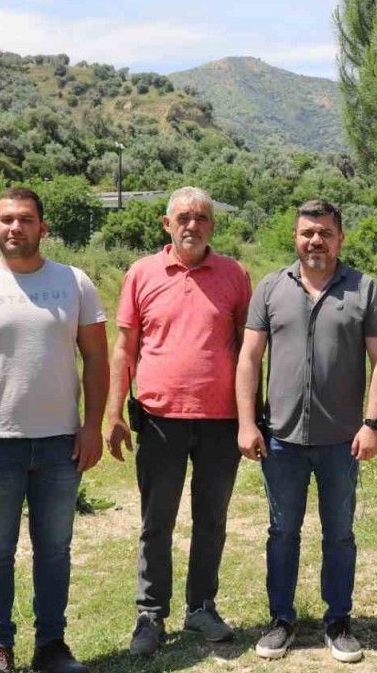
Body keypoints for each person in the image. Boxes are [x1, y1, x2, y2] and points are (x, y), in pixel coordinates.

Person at [0, 187, 109, 673]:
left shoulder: (74, 282)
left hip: (60, 443)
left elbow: (96, 358)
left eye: (26, 219)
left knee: (54, 550)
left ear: (43, 228)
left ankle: (51, 646)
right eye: (7, 219)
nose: (16, 227)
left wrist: (91, 426)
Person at [236, 199, 377, 663]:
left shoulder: (364, 289)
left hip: (342, 440)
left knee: (339, 534)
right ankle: (281, 620)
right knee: (282, 531)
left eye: (325, 232)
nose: (315, 241)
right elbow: (249, 358)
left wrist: (373, 424)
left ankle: (338, 621)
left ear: (339, 238)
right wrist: (246, 422)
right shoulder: (270, 287)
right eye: (307, 232)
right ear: (295, 237)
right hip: (281, 438)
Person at [103, 186, 253, 657]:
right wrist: (113, 412)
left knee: (212, 519)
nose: (192, 225)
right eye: (183, 217)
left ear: (213, 225)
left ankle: (201, 606)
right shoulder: (141, 273)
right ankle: (150, 613)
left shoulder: (234, 275)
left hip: (221, 420)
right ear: (167, 224)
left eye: (201, 217)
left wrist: (250, 417)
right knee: (156, 520)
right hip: (159, 417)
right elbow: (124, 348)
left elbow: (248, 351)